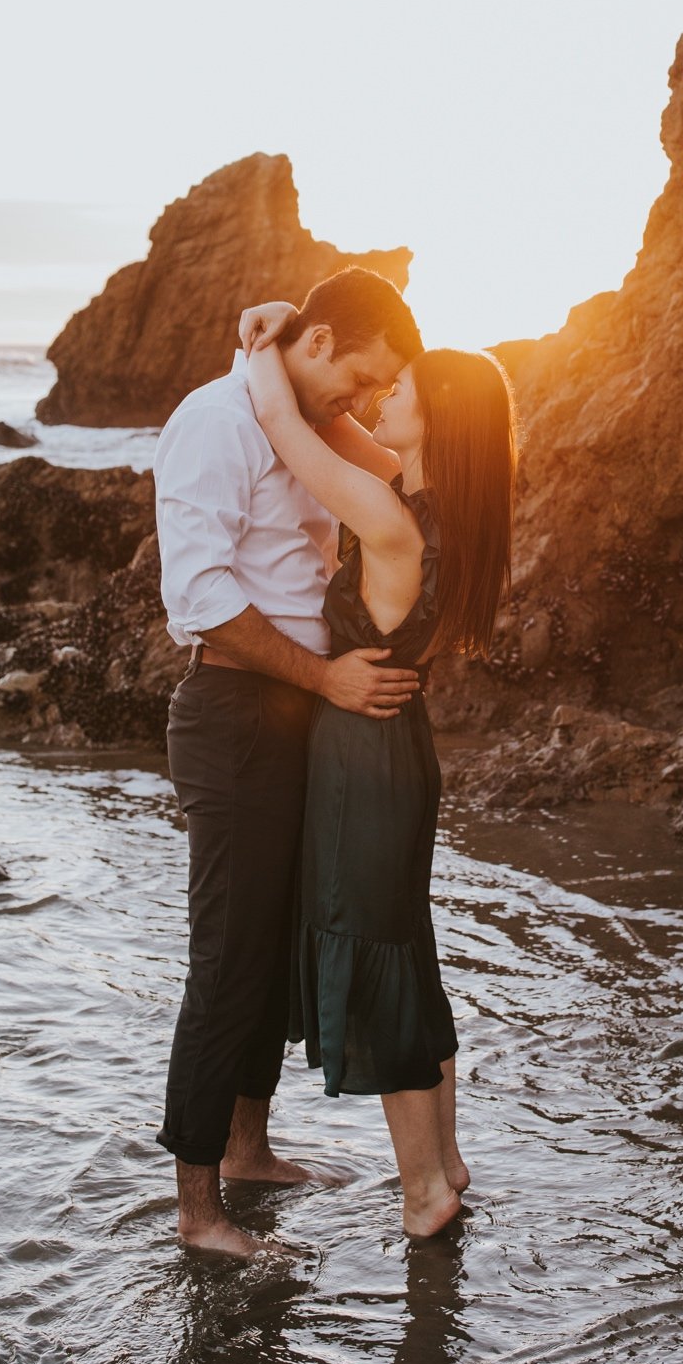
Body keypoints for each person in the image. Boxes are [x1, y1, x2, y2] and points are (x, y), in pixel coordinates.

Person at [154, 266, 424, 1260]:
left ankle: (250, 1148)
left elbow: (388, 470)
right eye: (358, 376)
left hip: (296, 712)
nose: (363, 399)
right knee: (227, 958)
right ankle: (197, 1211)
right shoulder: (215, 422)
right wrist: (323, 682)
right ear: (316, 346)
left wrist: (270, 354)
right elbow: (203, 597)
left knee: (274, 951)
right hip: (233, 714)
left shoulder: (295, 420)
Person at [240, 300, 516, 1239]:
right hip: (402, 749)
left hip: (366, 754)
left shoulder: (392, 522)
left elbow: (286, 424)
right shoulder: (426, 507)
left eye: (407, 390)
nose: (385, 395)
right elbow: (334, 426)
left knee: (383, 958)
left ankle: (423, 1191)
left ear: (442, 420)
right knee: (406, 950)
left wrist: (263, 345)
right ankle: (444, 1160)